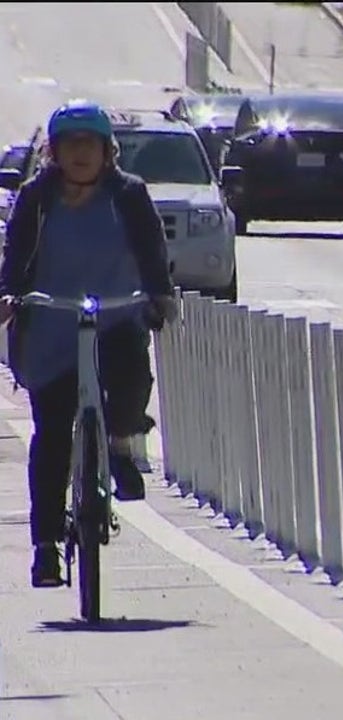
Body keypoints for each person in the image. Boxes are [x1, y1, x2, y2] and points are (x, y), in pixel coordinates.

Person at [0, 100, 177, 588]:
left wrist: (159, 295)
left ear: (107, 151)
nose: (80, 153)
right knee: (52, 436)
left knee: (129, 380)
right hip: (51, 324)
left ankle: (119, 448)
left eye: (89, 144)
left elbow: (150, 247)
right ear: (54, 153)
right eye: (70, 145)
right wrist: (8, 296)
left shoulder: (129, 194)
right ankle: (45, 546)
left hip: (117, 315)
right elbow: (14, 254)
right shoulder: (37, 197)